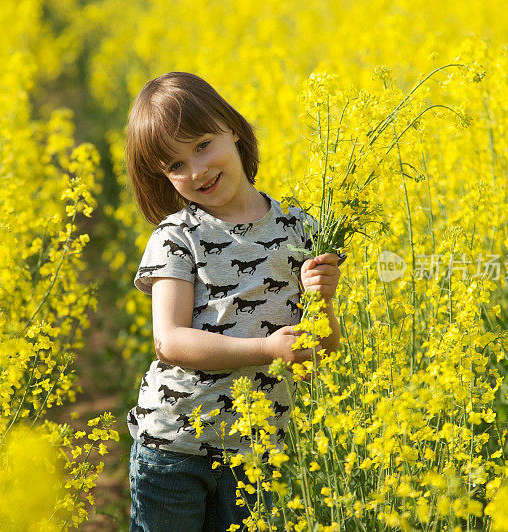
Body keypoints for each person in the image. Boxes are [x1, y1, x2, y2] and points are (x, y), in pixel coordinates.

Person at [124, 71, 342, 532]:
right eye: (175, 165)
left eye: (203, 145)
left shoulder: (301, 228)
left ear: (235, 129)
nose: (196, 171)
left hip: (257, 452)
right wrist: (266, 350)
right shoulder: (175, 237)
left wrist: (323, 300)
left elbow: (319, 348)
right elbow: (171, 341)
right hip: (175, 449)